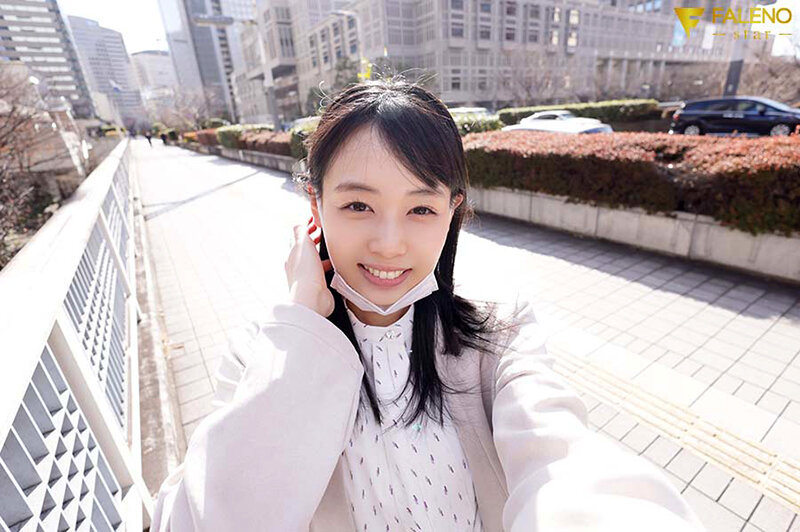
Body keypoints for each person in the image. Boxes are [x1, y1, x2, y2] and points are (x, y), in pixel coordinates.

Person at [150, 78, 703, 531]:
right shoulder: (265, 352)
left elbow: (562, 461)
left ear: (451, 211)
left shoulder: (497, 337)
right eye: (358, 205)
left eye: (420, 210)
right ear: (314, 205)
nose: (389, 244)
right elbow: (199, 519)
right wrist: (300, 328)